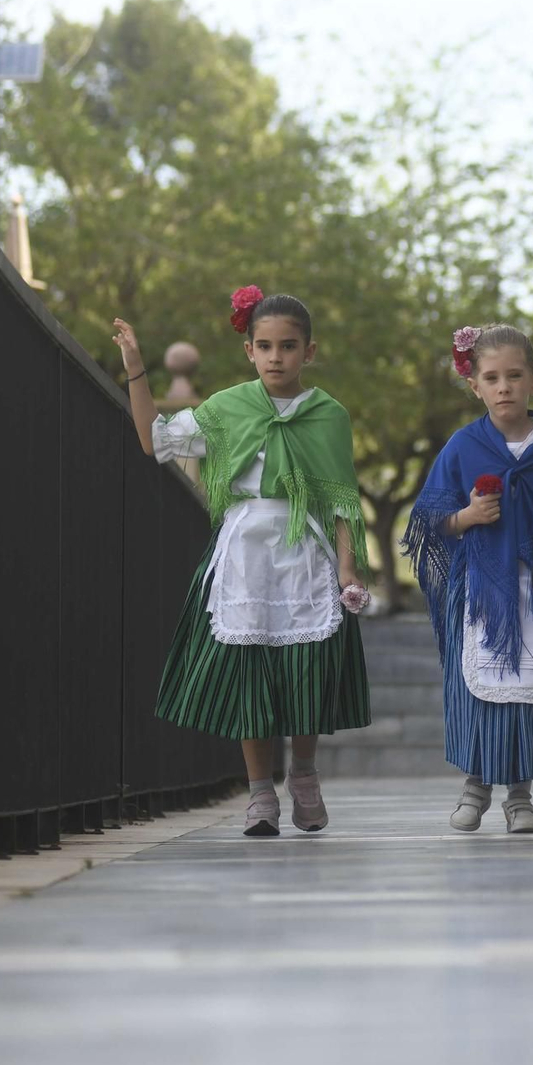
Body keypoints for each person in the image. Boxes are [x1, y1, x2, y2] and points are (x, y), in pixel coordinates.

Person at [112, 287, 371, 837]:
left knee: (307, 670)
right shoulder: (225, 409)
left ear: (310, 351)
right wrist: (136, 371)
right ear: (248, 351)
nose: (277, 356)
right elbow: (151, 441)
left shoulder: (330, 415)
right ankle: (259, 796)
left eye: (289, 346)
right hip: (245, 554)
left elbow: (343, 501)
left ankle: (302, 773)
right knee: (251, 674)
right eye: (265, 346)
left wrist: (348, 569)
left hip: (305, 551)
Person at [403, 325, 533, 834]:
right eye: (492, 377)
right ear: (474, 385)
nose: (504, 387)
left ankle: (521, 796)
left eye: (515, 376)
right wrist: (468, 516)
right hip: (483, 588)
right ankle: (475, 785)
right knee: (478, 692)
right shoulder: (463, 446)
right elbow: (429, 520)